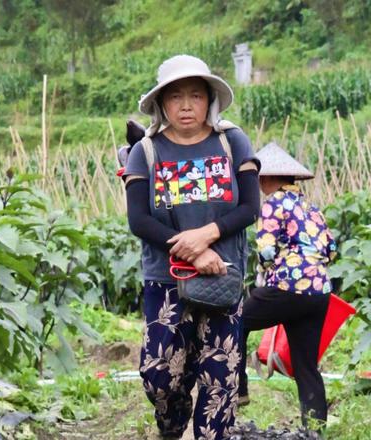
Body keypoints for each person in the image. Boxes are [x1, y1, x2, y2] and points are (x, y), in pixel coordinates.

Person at [123, 54, 260, 440]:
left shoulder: (232, 141)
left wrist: (208, 235)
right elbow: (140, 220)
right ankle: (173, 423)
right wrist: (194, 250)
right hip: (166, 280)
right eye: (176, 96)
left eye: (196, 96)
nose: (186, 105)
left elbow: (251, 207)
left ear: (209, 100)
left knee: (220, 384)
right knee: (160, 377)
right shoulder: (145, 152)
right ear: (161, 104)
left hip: (223, 275)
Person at [238, 142, 337, 429]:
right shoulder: (311, 207)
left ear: (267, 178)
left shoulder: (271, 205)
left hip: (286, 286)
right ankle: (315, 428)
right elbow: (330, 250)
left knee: (235, 322)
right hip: (318, 292)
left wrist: (267, 272)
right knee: (306, 366)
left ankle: (239, 389)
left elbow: (266, 251)